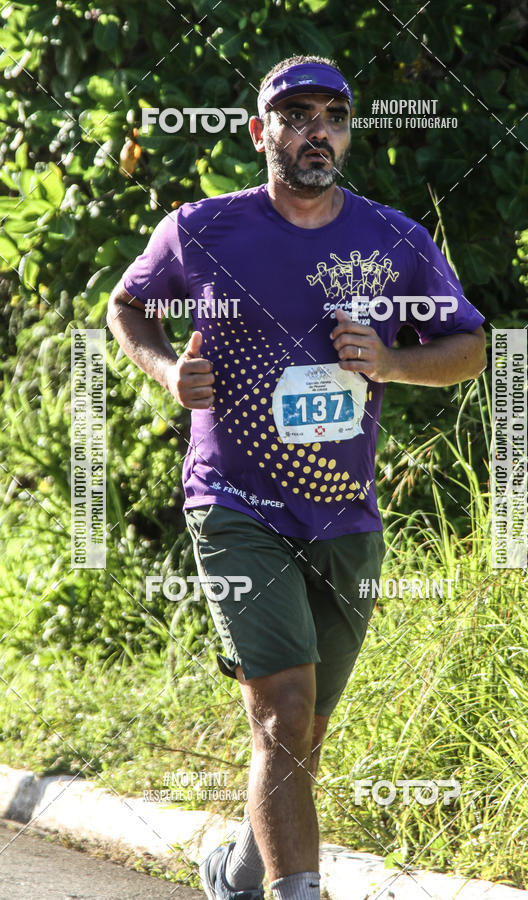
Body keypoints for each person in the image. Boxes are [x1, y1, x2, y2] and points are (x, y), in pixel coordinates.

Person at [107, 54, 486, 900]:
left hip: (344, 515)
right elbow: (126, 306)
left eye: (334, 115)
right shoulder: (201, 229)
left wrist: (391, 360)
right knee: (279, 712)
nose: (318, 129)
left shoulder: (394, 239)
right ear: (260, 131)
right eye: (297, 113)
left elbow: (470, 347)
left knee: (305, 731)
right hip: (233, 501)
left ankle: (237, 870)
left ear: (348, 134)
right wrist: (168, 372)